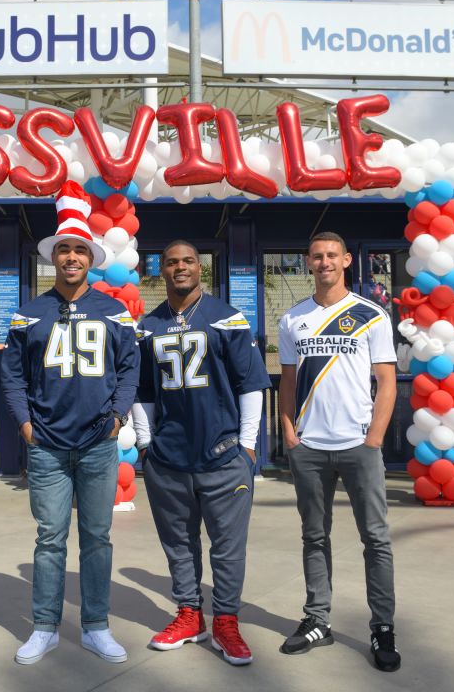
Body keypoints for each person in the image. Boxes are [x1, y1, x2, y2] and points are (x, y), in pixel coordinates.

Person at [0, 182, 140, 666]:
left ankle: (97, 625)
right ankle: (44, 626)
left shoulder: (114, 310)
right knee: (50, 539)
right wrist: (24, 424)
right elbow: (12, 374)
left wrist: (118, 415)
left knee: (97, 538)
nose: (72, 257)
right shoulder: (28, 311)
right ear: (53, 258)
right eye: (65, 249)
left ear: (91, 257)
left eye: (80, 249)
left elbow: (129, 368)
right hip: (48, 446)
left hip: (99, 443)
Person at [130, 241, 269, 666]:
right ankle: (190, 614)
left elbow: (250, 383)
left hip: (223, 454)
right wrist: (144, 445)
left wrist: (247, 447)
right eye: (171, 262)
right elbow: (143, 391)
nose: (180, 268)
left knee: (227, 546)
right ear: (162, 271)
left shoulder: (226, 317)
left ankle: (226, 619)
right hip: (169, 457)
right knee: (178, 544)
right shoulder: (147, 325)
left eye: (188, 261)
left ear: (200, 268)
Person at [276, 231, 401, 672]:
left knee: (376, 540)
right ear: (307, 262)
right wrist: (290, 433)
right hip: (309, 448)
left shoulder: (371, 315)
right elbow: (287, 382)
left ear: (346, 260)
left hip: (359, 446)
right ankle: (317, 620)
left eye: (332, 255)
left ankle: (382, 627)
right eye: (317, 256)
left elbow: (386, 382)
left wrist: (374, 439)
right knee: (314, 536)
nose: (325, 262)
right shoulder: (294, 319)